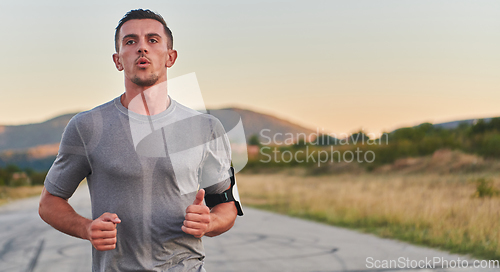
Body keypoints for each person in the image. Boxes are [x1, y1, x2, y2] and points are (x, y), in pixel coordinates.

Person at [38, 9, 239, 271]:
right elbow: (49, 202)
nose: (142, 48)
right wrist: (87, 228)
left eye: (153, 40)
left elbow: (227, 206)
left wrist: (209, 223)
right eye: (130, 41)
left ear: (171, 57)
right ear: (118, 60)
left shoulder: (206, 128)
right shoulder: (86, 127)